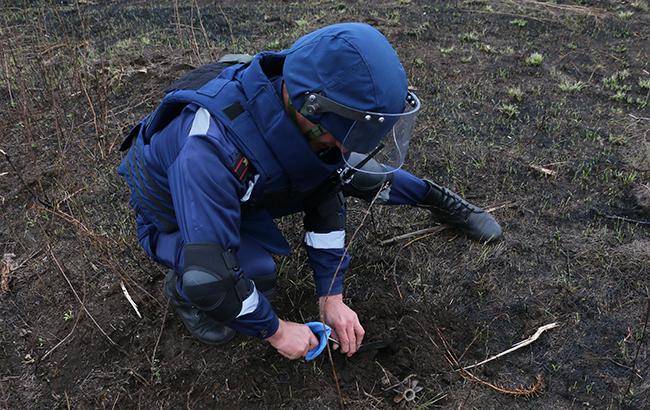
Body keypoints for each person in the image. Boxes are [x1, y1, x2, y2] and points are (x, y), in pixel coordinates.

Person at [118, 23, 502, 360]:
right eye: (351, 133)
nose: (355, 145)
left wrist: (330, 295)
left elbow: (325, 192)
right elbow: (212, 276)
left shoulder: (300, 111)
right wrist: (277, 331)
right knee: (247, 272)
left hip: (243, 185)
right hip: (172, 212)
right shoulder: (209, 152)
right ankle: (180, 288)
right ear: (313, 110)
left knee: (352, 173)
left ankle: (438, 199)